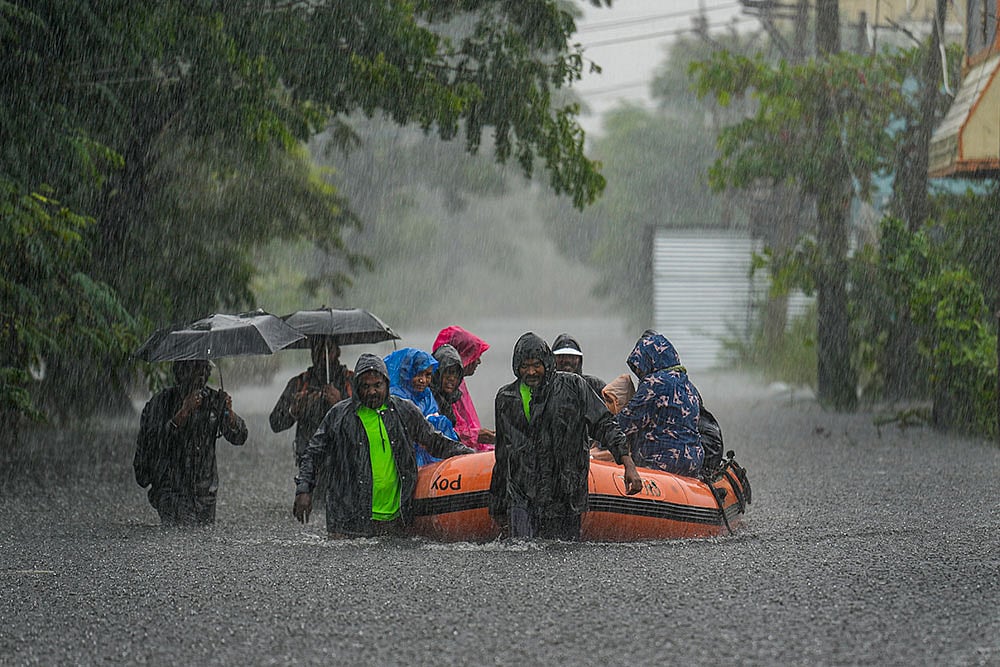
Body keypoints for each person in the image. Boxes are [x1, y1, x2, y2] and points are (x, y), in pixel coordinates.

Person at [293, 353, 474, 537]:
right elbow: (313, 453)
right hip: (349, 522)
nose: (372, 391)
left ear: (386, 384)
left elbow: (434, 441)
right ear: (357, 387)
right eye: (366, 386)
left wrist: (469, 455)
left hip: (396, 520)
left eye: (377, 385)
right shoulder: (339, 415)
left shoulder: (404, 410)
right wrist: (304, 490)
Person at [488, 332, 643, 540]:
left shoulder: (574, 387)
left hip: (565, 492)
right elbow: (503, 454)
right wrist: (497, 502)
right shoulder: (506, 398)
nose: (531, 372)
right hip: (523, 494)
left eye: (536, 365)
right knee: (522, 554)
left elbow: (603, 423)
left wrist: (628, 463)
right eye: (525, 366)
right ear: (516, 366)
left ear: (547, 363)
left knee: (565, 555)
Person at [134, 359, 248, 526]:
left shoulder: (213, 401)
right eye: (195, 367)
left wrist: (229, 414)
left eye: (205, 368)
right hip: (171, 490)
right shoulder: (160, 403)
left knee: (202, 543)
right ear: (181, 372)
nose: (201, 373)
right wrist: (183, 413)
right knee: (178, 540)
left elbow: (240, 437)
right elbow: (154, 444)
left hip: (205, 492)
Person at [269, 335, 353, 500]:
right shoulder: (299, 383)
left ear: (338, 351)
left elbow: (366, 420)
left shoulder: (352, 381)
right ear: (311, 353)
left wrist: (340, 402)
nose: (322, 355)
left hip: (344, 460)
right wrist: (294, 411)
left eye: (328, 349)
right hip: (310, 461)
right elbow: (275, 423)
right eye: (317, 349)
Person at [615, 330, 704, 478]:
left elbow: (625, 424)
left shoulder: (655, 384)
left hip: (662, 461)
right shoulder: (689, 386)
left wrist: (597, 433)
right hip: (693, 462)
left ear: (649, 359)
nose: (639, 373)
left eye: (640, 366)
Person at [384, 347, 458, 466]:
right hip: (407, 459)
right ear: (407, 373)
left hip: (430, 455)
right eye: (418, 374)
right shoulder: (396, 396)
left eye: (428, 375)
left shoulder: (427, 395)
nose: (423, 380)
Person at [432, 325, 495, 449]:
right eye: (474, 355)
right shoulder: (438, 393)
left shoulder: (456, 387)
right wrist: (475, 436)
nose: (478, 361)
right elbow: (444, 433)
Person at [550, 332, 606, 396]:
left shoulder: (595, 386)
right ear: (552, 359)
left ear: (579, 360)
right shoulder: (544, 387)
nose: (567, 361)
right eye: (562, 356)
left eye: (572, 357)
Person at [429, 344, 464, 435]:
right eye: (447, 373)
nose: (452, 379)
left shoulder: (450, 399)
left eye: (456, 375)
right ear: (437, 374)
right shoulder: (429, 400)